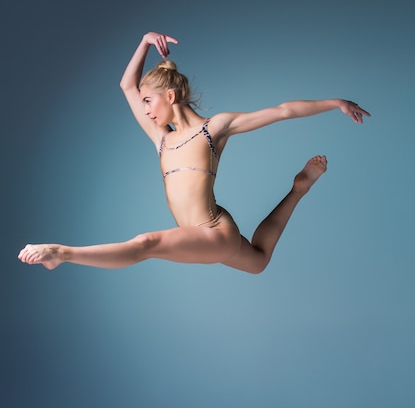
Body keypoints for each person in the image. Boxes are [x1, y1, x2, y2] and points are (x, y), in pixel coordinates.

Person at [18, 31, 370, 274]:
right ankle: (298, 190)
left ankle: (60, 253)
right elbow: (127, 84)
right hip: (200, 236)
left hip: (213, 231)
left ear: (170, 96)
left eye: (148, 101)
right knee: (259, 260)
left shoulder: (213, 129)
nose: (146, 111)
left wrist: (335, 103)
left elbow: (281, 110)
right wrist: (143, 42)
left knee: (147, 243)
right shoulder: (161, 138)